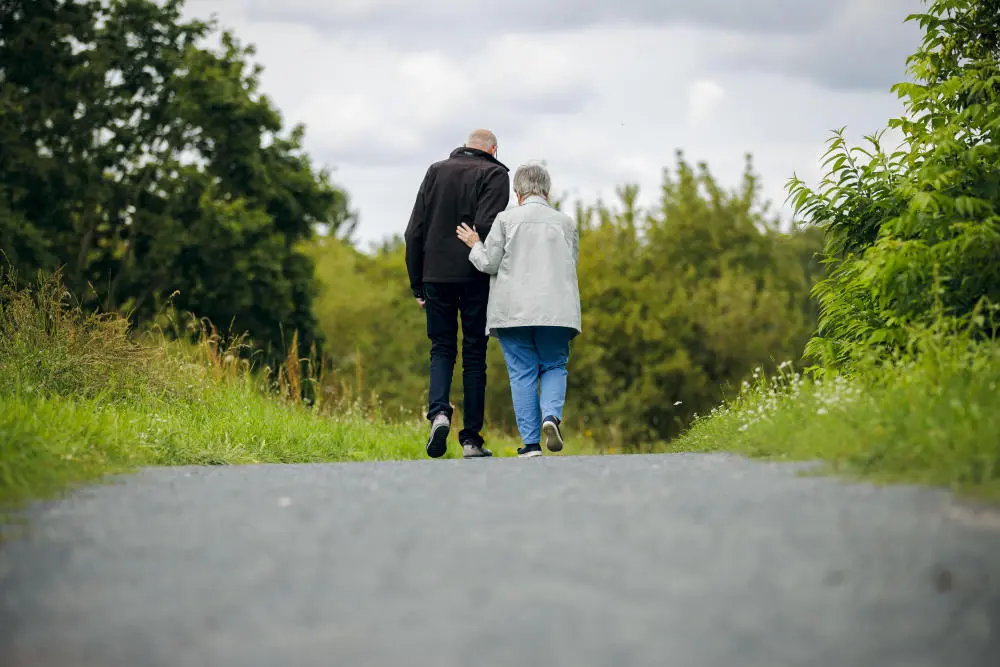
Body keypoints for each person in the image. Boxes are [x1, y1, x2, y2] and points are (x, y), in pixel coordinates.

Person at [455, 162, 581, 458]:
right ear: (547, 192)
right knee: (553, 365)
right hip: (556, 309)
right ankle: (551, 416)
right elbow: (570, 265)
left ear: (518, 192)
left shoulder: (505, 220)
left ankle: (531, 444)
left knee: (522, 373)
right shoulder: (565, 222)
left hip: (513, 310)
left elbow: (489, 264)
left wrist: (475, 244)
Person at [404, 129, 511, 459]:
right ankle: (471, 440)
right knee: (475, 353)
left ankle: (438, 412)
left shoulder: (436, 170)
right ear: (492, 149)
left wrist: (417, 282)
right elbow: (487, 225)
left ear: (466, 146)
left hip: (435, 274)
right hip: (475, 274)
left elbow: (414, 231)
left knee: (441, 347)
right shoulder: (495, 173)